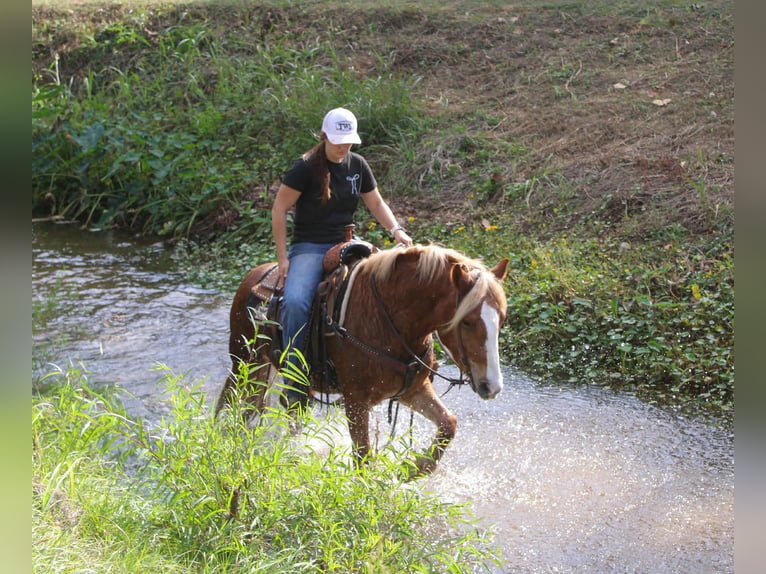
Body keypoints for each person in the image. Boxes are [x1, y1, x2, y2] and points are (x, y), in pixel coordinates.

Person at [271, 107, 413, 410]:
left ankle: (390, 364)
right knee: (295, 302)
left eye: (348, 142)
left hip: (348, 241)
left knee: (386, 286)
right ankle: (294, 381)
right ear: (323, 136)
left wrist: (396, 230)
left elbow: (375, 201)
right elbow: (279, 210)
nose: (343, 147)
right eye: (338, 141)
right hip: (310, 246)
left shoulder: (357, 165)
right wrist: (283, 258)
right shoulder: (305, 168)